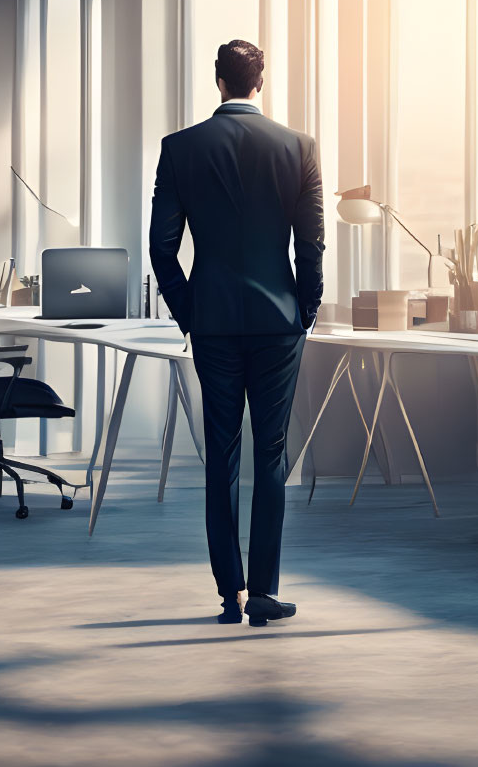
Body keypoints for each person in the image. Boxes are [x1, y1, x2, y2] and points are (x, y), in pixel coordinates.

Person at [149, 39, 324, 627]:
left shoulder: (181, 148)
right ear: (260, 82)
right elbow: (312, 242)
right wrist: (306, 307)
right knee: (270, 452)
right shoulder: (299, 147)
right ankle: (267, 590)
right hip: (278, 323)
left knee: (220, 454)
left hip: (216, 323)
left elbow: (161, 248)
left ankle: (231, 594)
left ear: (217, 82)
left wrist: (188, 310)